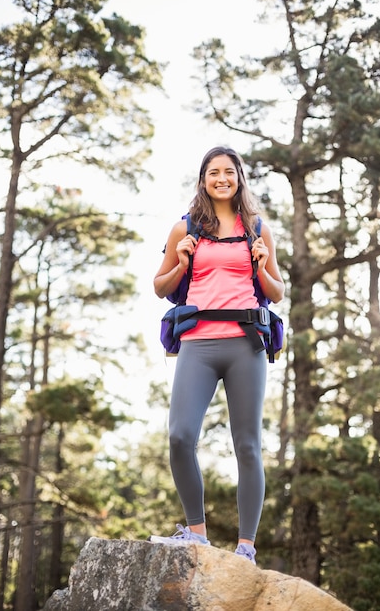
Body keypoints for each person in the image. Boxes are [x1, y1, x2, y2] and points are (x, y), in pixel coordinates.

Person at [149, 146, 285, 564]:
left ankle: (246, 548)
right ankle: (196, 535)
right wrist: (183, 260)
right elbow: (160, 286)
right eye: (213, 172)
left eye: (229, 172)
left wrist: (261, 265)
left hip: (245, 344)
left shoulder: (258, 228)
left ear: (239, 178)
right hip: (198, 343)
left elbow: (278, 292)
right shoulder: (184, 228)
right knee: (180, 436)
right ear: (203, 179)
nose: (222, 178)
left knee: (247, 445)